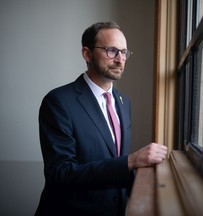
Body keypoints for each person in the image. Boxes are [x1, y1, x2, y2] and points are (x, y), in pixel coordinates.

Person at [35, 22, 168, 216]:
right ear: (87, 54)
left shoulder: (124, 102)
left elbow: (111, 163)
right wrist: (130, 161)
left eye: (124, 52)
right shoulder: (58, 102)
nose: (120, 59)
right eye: (111, 50)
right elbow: (60, 173)